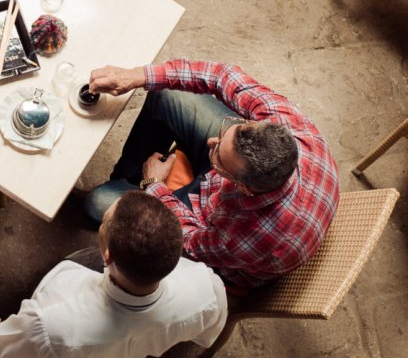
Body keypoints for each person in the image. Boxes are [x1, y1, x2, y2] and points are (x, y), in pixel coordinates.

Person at [82, 59, 339, 289]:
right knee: (166, 92)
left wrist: (154, 184)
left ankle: (133, 185)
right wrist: (137, 75)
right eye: (230, 131)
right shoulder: (291, 126)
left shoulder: (247, 234)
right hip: (230, 189)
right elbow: (220, 76)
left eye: (217, 157)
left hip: (206, 224)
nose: (210, 143)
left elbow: (190, 243)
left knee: (97, 204)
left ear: (244, 187)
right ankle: (125, 179)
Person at [0, 191, 227, 357]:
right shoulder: (206, 287)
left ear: (108, 255)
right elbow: (206, 335)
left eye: (104, 223)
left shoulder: (48, 322)